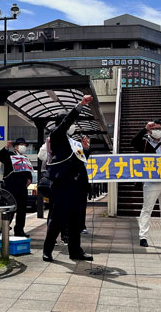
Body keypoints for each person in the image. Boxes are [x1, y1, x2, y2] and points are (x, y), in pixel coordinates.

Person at [42, 95, 94, 262]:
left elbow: (79, 160)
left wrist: (86, 149)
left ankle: (75, 251)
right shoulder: (56, 135)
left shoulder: (74, 142)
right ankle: (47, 250)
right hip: (61, 185)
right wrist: (79, 106)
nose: (71, 126)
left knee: (75, 221)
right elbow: (66, 122)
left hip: (76, 186)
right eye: (68, 123)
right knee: (57, 219)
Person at [0, 138, 33, 237]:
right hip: (11, 186)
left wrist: (29, 179)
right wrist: (6, 147)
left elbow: (29, 171)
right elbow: (0, 156)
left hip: (22, 187)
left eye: (25, 145)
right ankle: (4, 228)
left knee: (22, 210)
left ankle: (19, 230)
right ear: (16, 146)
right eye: (21, 144)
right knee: (10, 208)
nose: (23, 147)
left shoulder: (25, 158)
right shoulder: (10, 155)